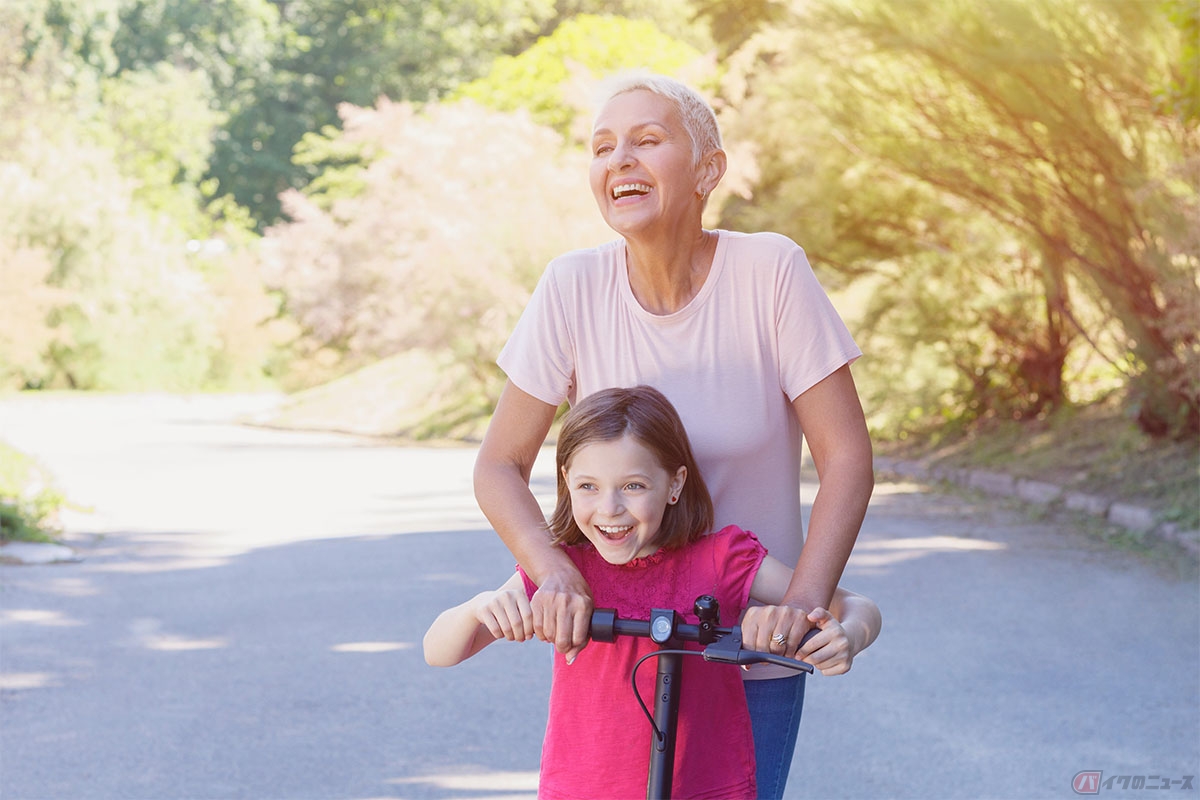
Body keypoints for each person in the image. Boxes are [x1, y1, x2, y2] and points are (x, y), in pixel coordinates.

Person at [473, 71, 875, 798]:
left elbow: (846, 458)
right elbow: (499, 464)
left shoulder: (770, 271)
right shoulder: (571, 287)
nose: (619, 159)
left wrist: (801, 609)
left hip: (745, 650)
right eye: (602, 148)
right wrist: (556, 571)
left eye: (646, 141)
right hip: (621, 645)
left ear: (707, 170)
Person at [426, 386, 881, 800]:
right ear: (566, 481)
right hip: (582, 790)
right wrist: (479, 608)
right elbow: (439, 651)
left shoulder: (721, 558)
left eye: (633, 486)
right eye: (588, 486)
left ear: (675, 484)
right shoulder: (564, 570)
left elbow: (855, 606)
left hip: (709, 788)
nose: (610, 509)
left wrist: (847, 636)